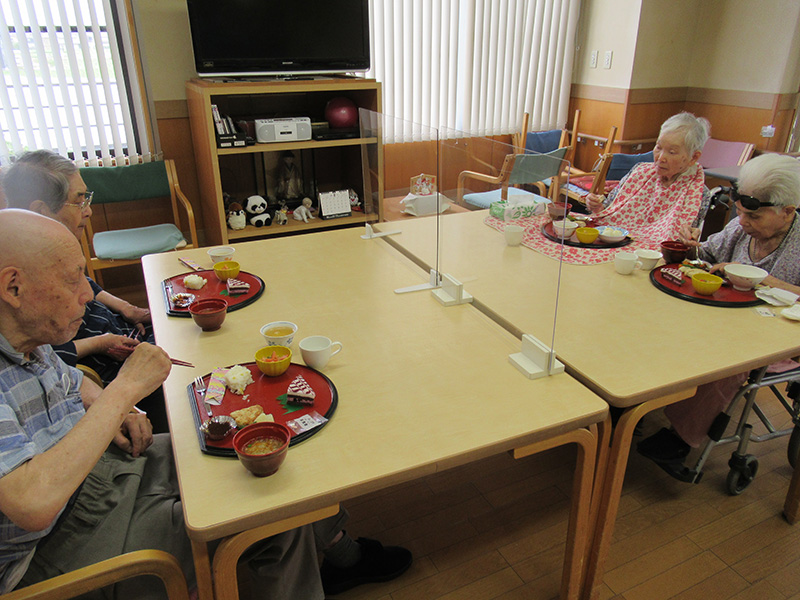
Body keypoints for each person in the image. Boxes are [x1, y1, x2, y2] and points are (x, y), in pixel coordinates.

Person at [0, 210, 411, 599]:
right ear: (13, 287)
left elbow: (73, 383)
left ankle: (341, 555)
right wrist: (124, 391)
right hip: (56, 545)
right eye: (73, 280)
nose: (87, 294)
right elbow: (32, 504)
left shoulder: (29, 341)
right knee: (273, 511)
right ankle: (341, 557)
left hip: (104, 474)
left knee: (271, 460)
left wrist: (122, 411)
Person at [637, 153, 800, 479]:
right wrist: (691, 247)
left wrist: (763, 278)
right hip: (724, 317)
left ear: (787, 212)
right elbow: (708, 254)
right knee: (658, 323)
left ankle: (681, 437)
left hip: (778, 335)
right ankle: (641, 402)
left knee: (727, 361)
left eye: (752, 216)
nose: (743, 222)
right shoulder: (742, 229)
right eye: (739, 213)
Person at [1, 151, 167, 429]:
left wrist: (125, 308)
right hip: (109, 368)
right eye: (79, 201)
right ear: (42, 211)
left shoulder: (57, 247)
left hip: (117, 338)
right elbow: (48, 356)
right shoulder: (26, 274)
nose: (88, 210)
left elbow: (89, 288)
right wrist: (103, 345)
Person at [584, 112, 711, 243]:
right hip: (615, 243)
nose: (660, 158)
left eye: (672, 152)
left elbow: (682, 242)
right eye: (658, 147)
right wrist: (596, 206)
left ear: (694, 157)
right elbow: (607, 210)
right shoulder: (639, 171)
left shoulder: (698, 193)